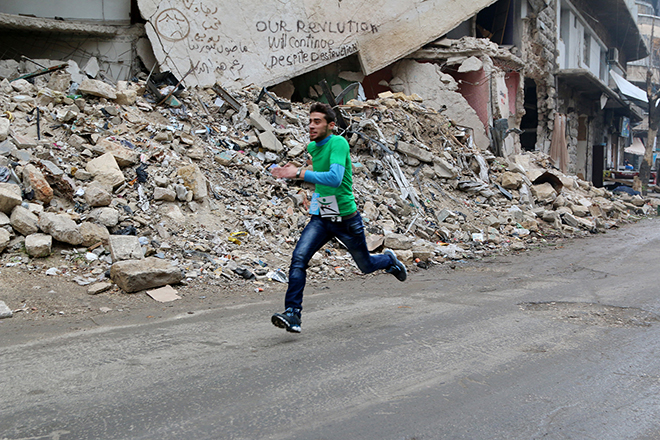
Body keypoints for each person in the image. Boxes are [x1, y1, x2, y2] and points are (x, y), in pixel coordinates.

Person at [270, 102, 407, 333]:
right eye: (310, 121)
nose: (311, 125)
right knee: (298, 259)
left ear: (331, 125)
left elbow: (334, 178)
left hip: (346, 219)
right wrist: (293, 175)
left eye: (317, 121)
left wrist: (299, 172)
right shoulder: (312, 147)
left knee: (365, 265)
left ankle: (389, 260)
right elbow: (318, 179)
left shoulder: (339, 143)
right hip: (322, 217)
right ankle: (293, 314)